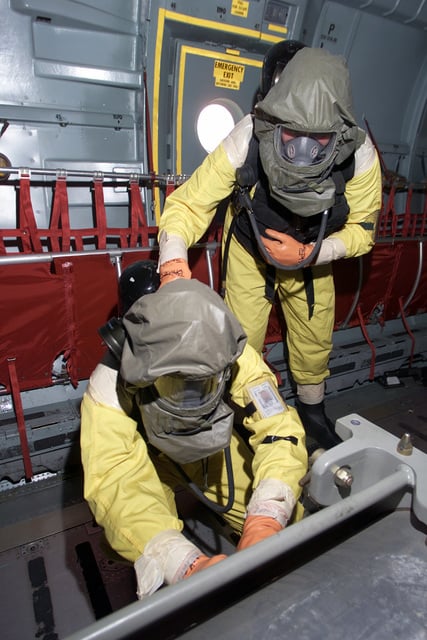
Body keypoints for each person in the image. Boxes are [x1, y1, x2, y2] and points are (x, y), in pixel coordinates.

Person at [157, 45, 382, 452]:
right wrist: (173, 263)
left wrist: (312, 253)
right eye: (291, 135)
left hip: (314, 253)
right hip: (249, 248)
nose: (301, 151)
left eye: (317, 140)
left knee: (314, 337)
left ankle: (313, 414)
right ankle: (247, 419)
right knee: (243, 341)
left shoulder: (359, 155)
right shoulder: (248, 136)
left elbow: (364, 230)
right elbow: (190, 204)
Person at [80, 260, 308, 599]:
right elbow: (114, 476)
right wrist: (182, 563)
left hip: (214, 451)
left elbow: (277, 425)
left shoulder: (228, 347)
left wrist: (267, 517)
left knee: (290, 523)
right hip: (150, 461)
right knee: (129, 533)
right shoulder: (108, 383)